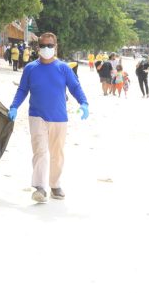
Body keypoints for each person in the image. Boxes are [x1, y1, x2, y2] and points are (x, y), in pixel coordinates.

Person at [7, 32, 89, 202]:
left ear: (55, 47)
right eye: (43, 45)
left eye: (50, 46)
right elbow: (22, 90)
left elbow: (75, 87)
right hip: (37, 116)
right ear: (38, 47)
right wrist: (14, 106)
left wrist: (84, 103)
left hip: (59, 117)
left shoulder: (64, 68)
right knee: (40, 151)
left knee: (57, 153)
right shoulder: (30, 68)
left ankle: (55, 185)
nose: (46, 48)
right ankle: (39, 187)